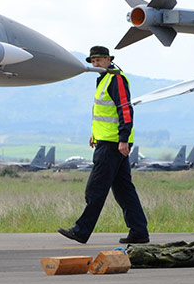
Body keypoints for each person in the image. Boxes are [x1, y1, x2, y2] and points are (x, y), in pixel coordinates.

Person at [58, 45, 149, 244]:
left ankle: (81, 231)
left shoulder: (115, 79)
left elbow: (125, 110)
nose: (95, 63)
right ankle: (139, 231)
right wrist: (95, 135)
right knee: (124, 190)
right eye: (92, 60)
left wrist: (123, 139)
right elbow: (104, 114)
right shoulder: (105, 79)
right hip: (107, 142)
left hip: (113, 145)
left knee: (95, 189)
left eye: (99, 60)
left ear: (108, 59)